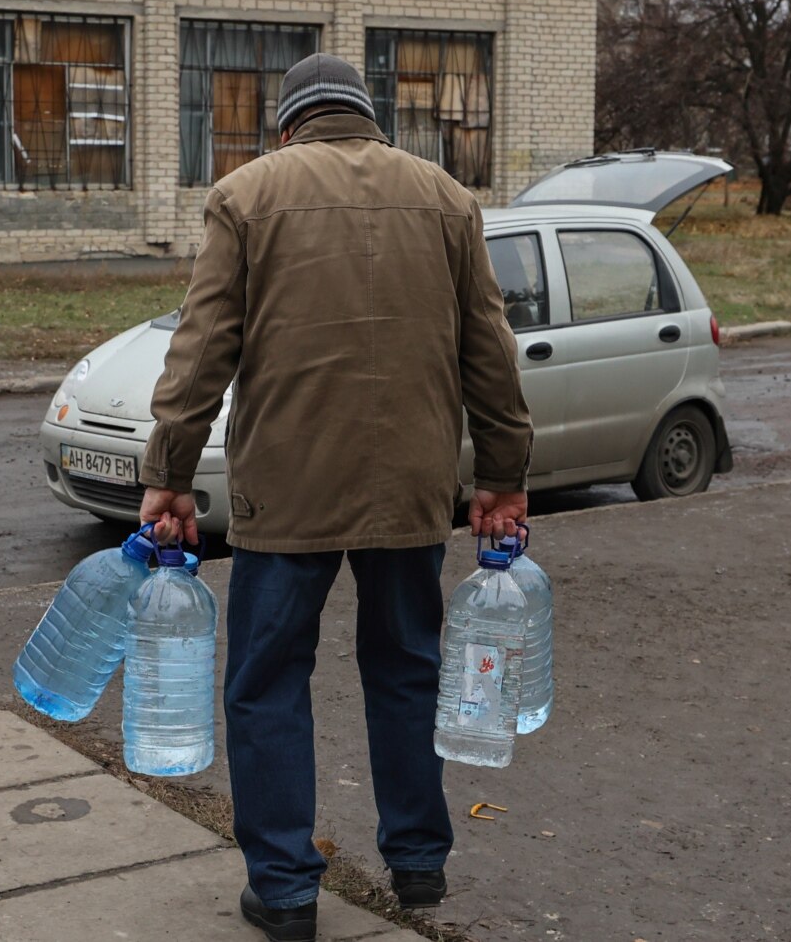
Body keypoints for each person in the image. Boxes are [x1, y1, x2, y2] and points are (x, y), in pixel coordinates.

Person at [139, 52, 533, 942]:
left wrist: (169, 470)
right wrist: (503, 476)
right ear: (369, 118)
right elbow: (490, 354)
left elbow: (201, 352)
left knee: (269, 681)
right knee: (408, 666)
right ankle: (419, 861)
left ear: (289, 125)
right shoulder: (445, 198)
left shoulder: (247, 197)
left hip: (288, 491)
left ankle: (283, 890)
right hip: (412, 486)